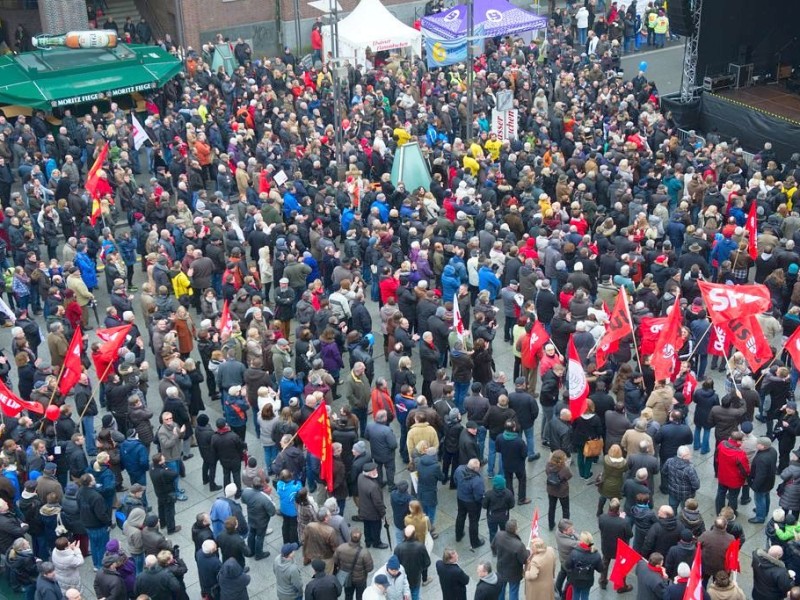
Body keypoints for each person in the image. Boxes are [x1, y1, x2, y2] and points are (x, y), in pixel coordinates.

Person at [77, 473, 111, 571]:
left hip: (86, 523)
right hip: (98, 525)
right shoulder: (96, 497)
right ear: (90, 483)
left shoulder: (79, 492)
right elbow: (101, 514)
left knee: (94, 544)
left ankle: (96, 564)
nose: (95, 479)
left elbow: (79, 506)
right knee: (102, 546)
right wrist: (108, 522)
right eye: (93, 479)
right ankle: (101, 566)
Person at [597, 498, 633, 590]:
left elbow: (601, 528)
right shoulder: (624, 522)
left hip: (607, 545)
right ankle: (621, 586)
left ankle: (603, 581)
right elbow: (630, 534)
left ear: (609, 507)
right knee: (621, 566)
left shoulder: (602, 518)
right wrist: (622, 518)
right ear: (618, 509)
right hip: (620, 548)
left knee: (605, 563)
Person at [491, 519, 529, 600]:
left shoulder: (499, 535)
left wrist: (496, 554)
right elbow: (524, 559)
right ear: (515, 530)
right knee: (513, 591)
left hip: (501, 569)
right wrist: (528, 551)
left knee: (501, 589)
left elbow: (493, 546)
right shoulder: (519, 545)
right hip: (514, 573)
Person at [241, 476, 276, 559]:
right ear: (261, 486)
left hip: (251, 518)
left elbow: (243, 501)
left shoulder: (246, 491)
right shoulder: (265, 498)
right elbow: (272, 512)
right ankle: (259, 554)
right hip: (261, 521)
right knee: (260, 537)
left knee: (251, 533)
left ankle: (250, 551)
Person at [333, 529, 374, 600]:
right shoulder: (364, 553)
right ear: (360, 538)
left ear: (350, 537)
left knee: (348, 595)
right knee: (360, 596)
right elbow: (370, 568)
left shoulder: (341, 548)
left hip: (346, 577)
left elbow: (335, 561)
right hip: (360, 579)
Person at [454, 458, 485, 550]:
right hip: (472, 503)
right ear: (475, 468)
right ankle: (475, 542)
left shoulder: (459, 469)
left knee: (460, 515)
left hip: (460, 497)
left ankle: (458, 535)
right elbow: (479, 495)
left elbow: (455, 480)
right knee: (474, 521)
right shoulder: (477, 480)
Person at [394, 525, 431, 600]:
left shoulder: (398, 548)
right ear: (414, 534)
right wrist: (421, 569)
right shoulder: (420, 547)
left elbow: (395, 564)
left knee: (405, 595)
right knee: (415, 594)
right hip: (415, 577)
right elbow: (427, 562)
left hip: (403, 578)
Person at [564, 531, 603, 600]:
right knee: (585, 595)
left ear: (581, 541)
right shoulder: (596, 555)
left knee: (575, 594)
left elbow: (567, 565)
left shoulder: (574, 553)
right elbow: (600, 569)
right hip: (588, 581)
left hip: (575, 579)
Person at [149, 453, 181, 534]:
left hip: (159, 492)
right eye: (163, 459)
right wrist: (166, 467)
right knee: (169, 511)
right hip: (167, 493)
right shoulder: (163, 471)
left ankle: (162, 523)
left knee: (161, 508)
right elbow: (175, 474)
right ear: (160, 462)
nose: (164, 459)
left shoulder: (151, 467)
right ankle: (171, 528)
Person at [358, 462, 388, 549]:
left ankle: (368, 541)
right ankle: (377, 543)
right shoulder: (373, 486)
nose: (376, 471)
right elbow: (378, 503)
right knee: (376, 528)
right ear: (369, 473)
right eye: (374, 470)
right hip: (373, 513)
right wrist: (383, 513)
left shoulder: (360, 477)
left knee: (366, 526)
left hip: (363, 509)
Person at [749, 436, 778, 523]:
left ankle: (760, 517)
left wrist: (755, 486)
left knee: (759, 499)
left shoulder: (762, 459)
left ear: (764, 446)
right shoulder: (773, 450)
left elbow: (760, 475)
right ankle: (764, 511)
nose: (757, 444)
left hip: (762, 484)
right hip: (769, 481)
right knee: (766, 496)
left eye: (758, 444)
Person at [482, 474, 515, 544]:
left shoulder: (489, 494)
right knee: (504, 532)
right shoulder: (509, 493)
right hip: (504, 517)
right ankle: (504, 545)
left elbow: (484, 505)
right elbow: (512, 505)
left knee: (492, 532)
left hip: (492, 517)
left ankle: (494, 548)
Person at [545, 450, 572, 531]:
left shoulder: (548, 465)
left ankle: (551, 524)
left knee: (551, 507)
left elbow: (547, 472)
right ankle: (565, 527)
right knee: (565, 509)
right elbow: (569, 476)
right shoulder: (564, 468)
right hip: (562, 491)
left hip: (551, 490)